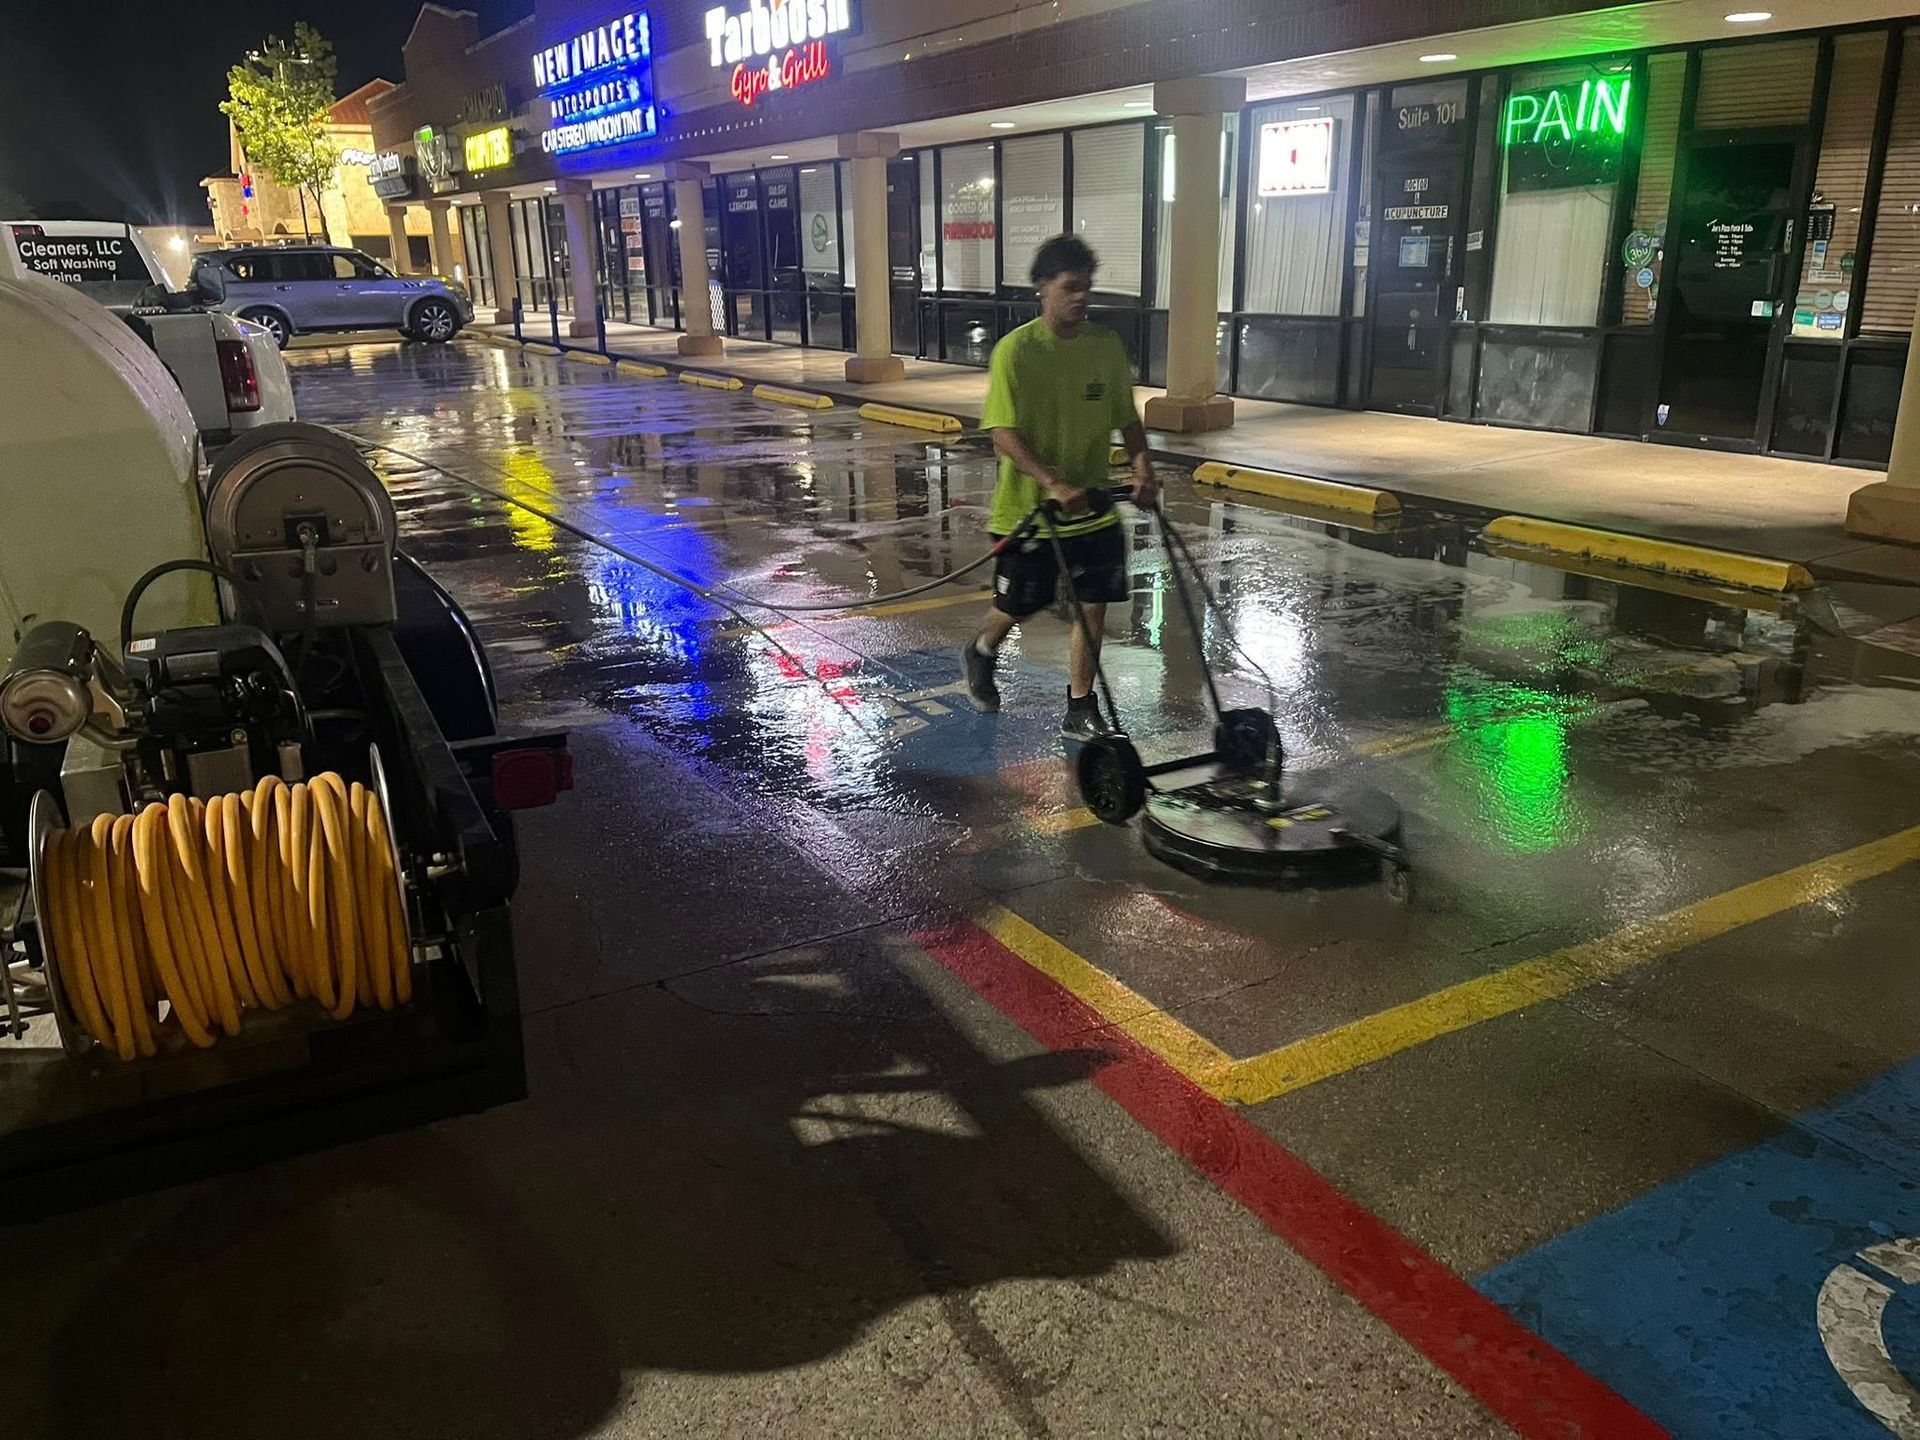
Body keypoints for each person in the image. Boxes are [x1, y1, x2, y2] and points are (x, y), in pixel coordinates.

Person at [962, 234, 1157, 739]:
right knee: (1016, 606)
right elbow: (1001, 430)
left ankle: (1079, 707)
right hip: (1030, 513)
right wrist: (1051, 481)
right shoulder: (1017, 352)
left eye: (1087, 287)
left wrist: (1142, 468)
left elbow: (1126, 419)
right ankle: (981, 648)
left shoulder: (1105, 348)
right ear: (1042, 287)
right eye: (1071, 287)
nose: (1081, 297)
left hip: (1090, 508)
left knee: (1093, 604)